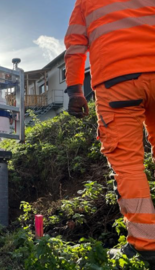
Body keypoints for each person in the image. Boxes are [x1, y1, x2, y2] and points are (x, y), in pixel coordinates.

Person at [64, 0, 155, 266]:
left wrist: (75, 91)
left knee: (127, 165)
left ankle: (146, 247)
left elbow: (75, 46)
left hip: (117, 81)